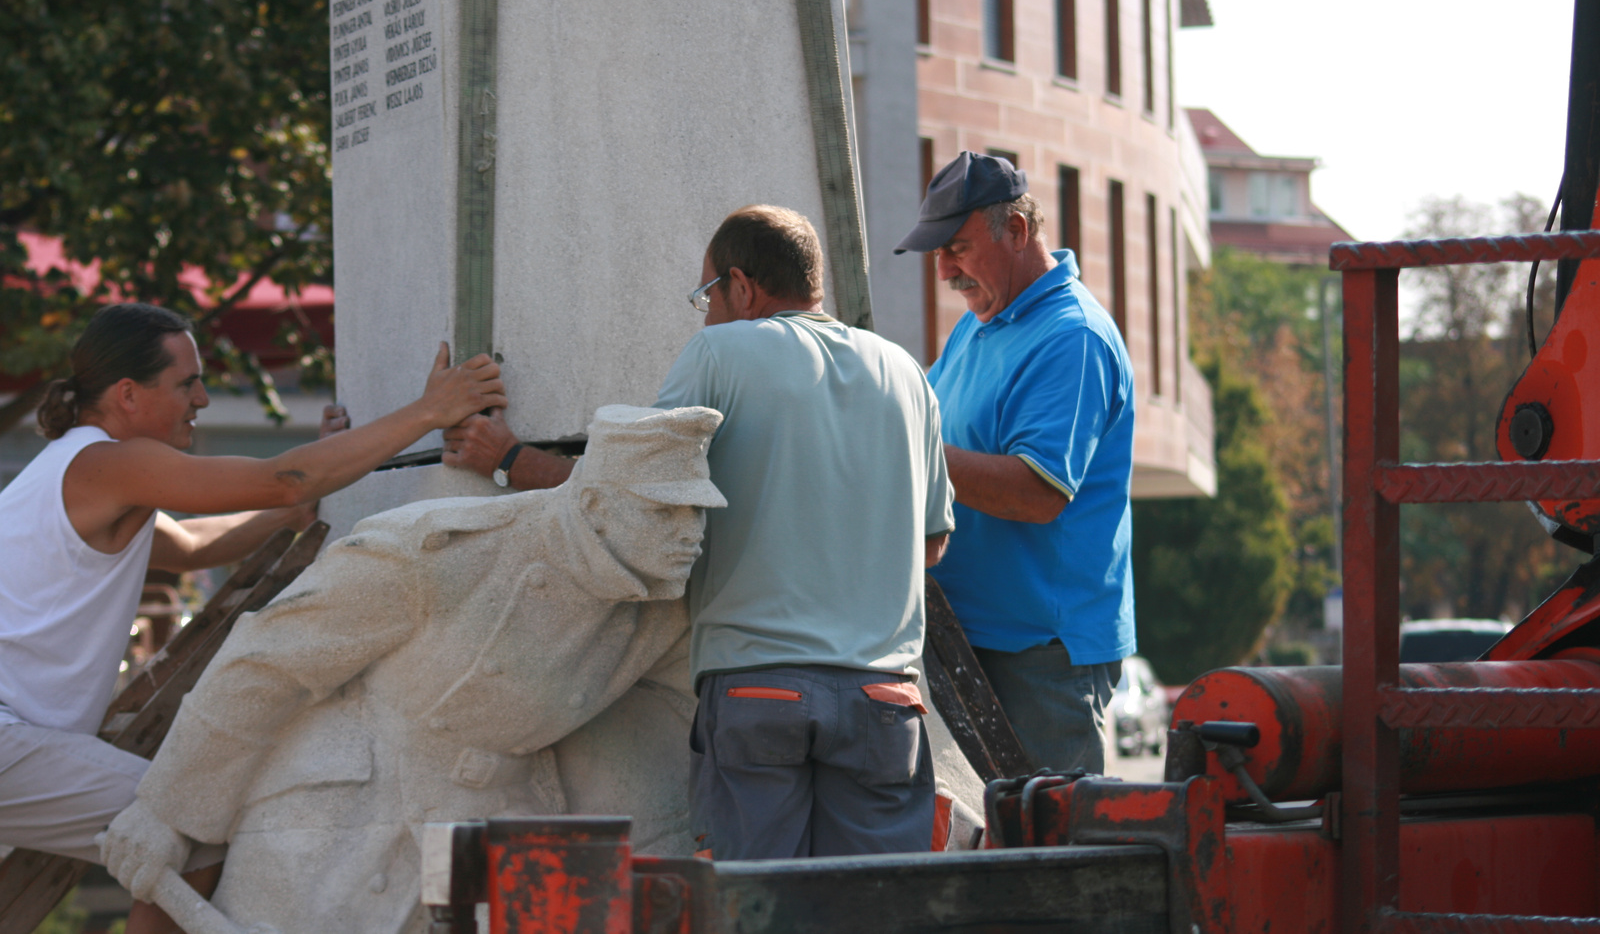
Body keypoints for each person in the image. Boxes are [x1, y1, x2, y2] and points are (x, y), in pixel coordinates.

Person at [442, 205, 955, 860]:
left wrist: (512, 460)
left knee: (755, 908)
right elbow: (933, 543)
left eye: (704, 295)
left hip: (760, 687)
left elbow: (638, 497)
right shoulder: (907, 373)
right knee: (877, 905)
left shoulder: (720, 349)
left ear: (741, 287)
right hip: (886, 700)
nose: (705, 312)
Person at [101, 404, 726, 934]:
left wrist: (655, 861)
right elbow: (268, 660)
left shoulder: (665, 606)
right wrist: (167, 813)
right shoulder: (436, 553)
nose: (689, 536)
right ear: (594, 502)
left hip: (493, 823)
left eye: (696, 513)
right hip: (342, 816)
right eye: (665, 513)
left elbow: (658, 735)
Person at [0, 302, 504, 934]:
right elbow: (283, 479)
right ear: (128, 395)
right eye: (187, 383)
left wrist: (301, 499)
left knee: (182, 826)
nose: (203, 399)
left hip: (16, 739)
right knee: (184, 824)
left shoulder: (76, 470)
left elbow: (192, 546)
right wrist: (431, 411)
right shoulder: (108, 463)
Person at [893, 151, 1136, 774]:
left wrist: (905, 450)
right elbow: (929, 431)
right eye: (938, 253)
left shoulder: (1072, 336)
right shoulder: (982, 322)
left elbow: (1037, 493)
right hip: (975, 639)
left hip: (1040, 655)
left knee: (1051, 852)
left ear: (1018, 232)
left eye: (958, 248)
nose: (944, 269)